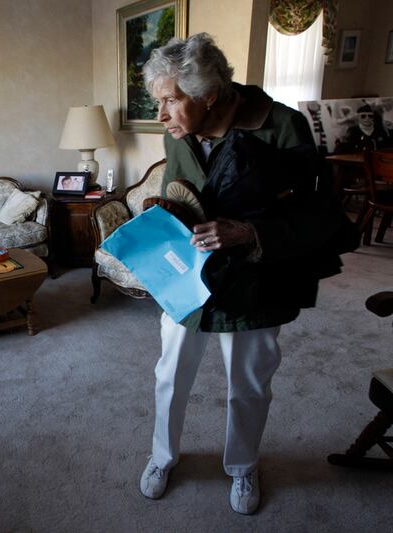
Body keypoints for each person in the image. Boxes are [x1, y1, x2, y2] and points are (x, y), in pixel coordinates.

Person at [138, 33, 354, 514]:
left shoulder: (282, 126)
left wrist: (249, 233)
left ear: (209, 95)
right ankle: (162, 456)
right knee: (170, 373)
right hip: (189, 278)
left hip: (257, 276)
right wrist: (160, 217)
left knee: (249, 381)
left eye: (170, 100)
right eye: (158, 102)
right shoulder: (178, 131)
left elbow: (319, 216)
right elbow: (179, 193)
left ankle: (242, 465)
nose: (161, 115)